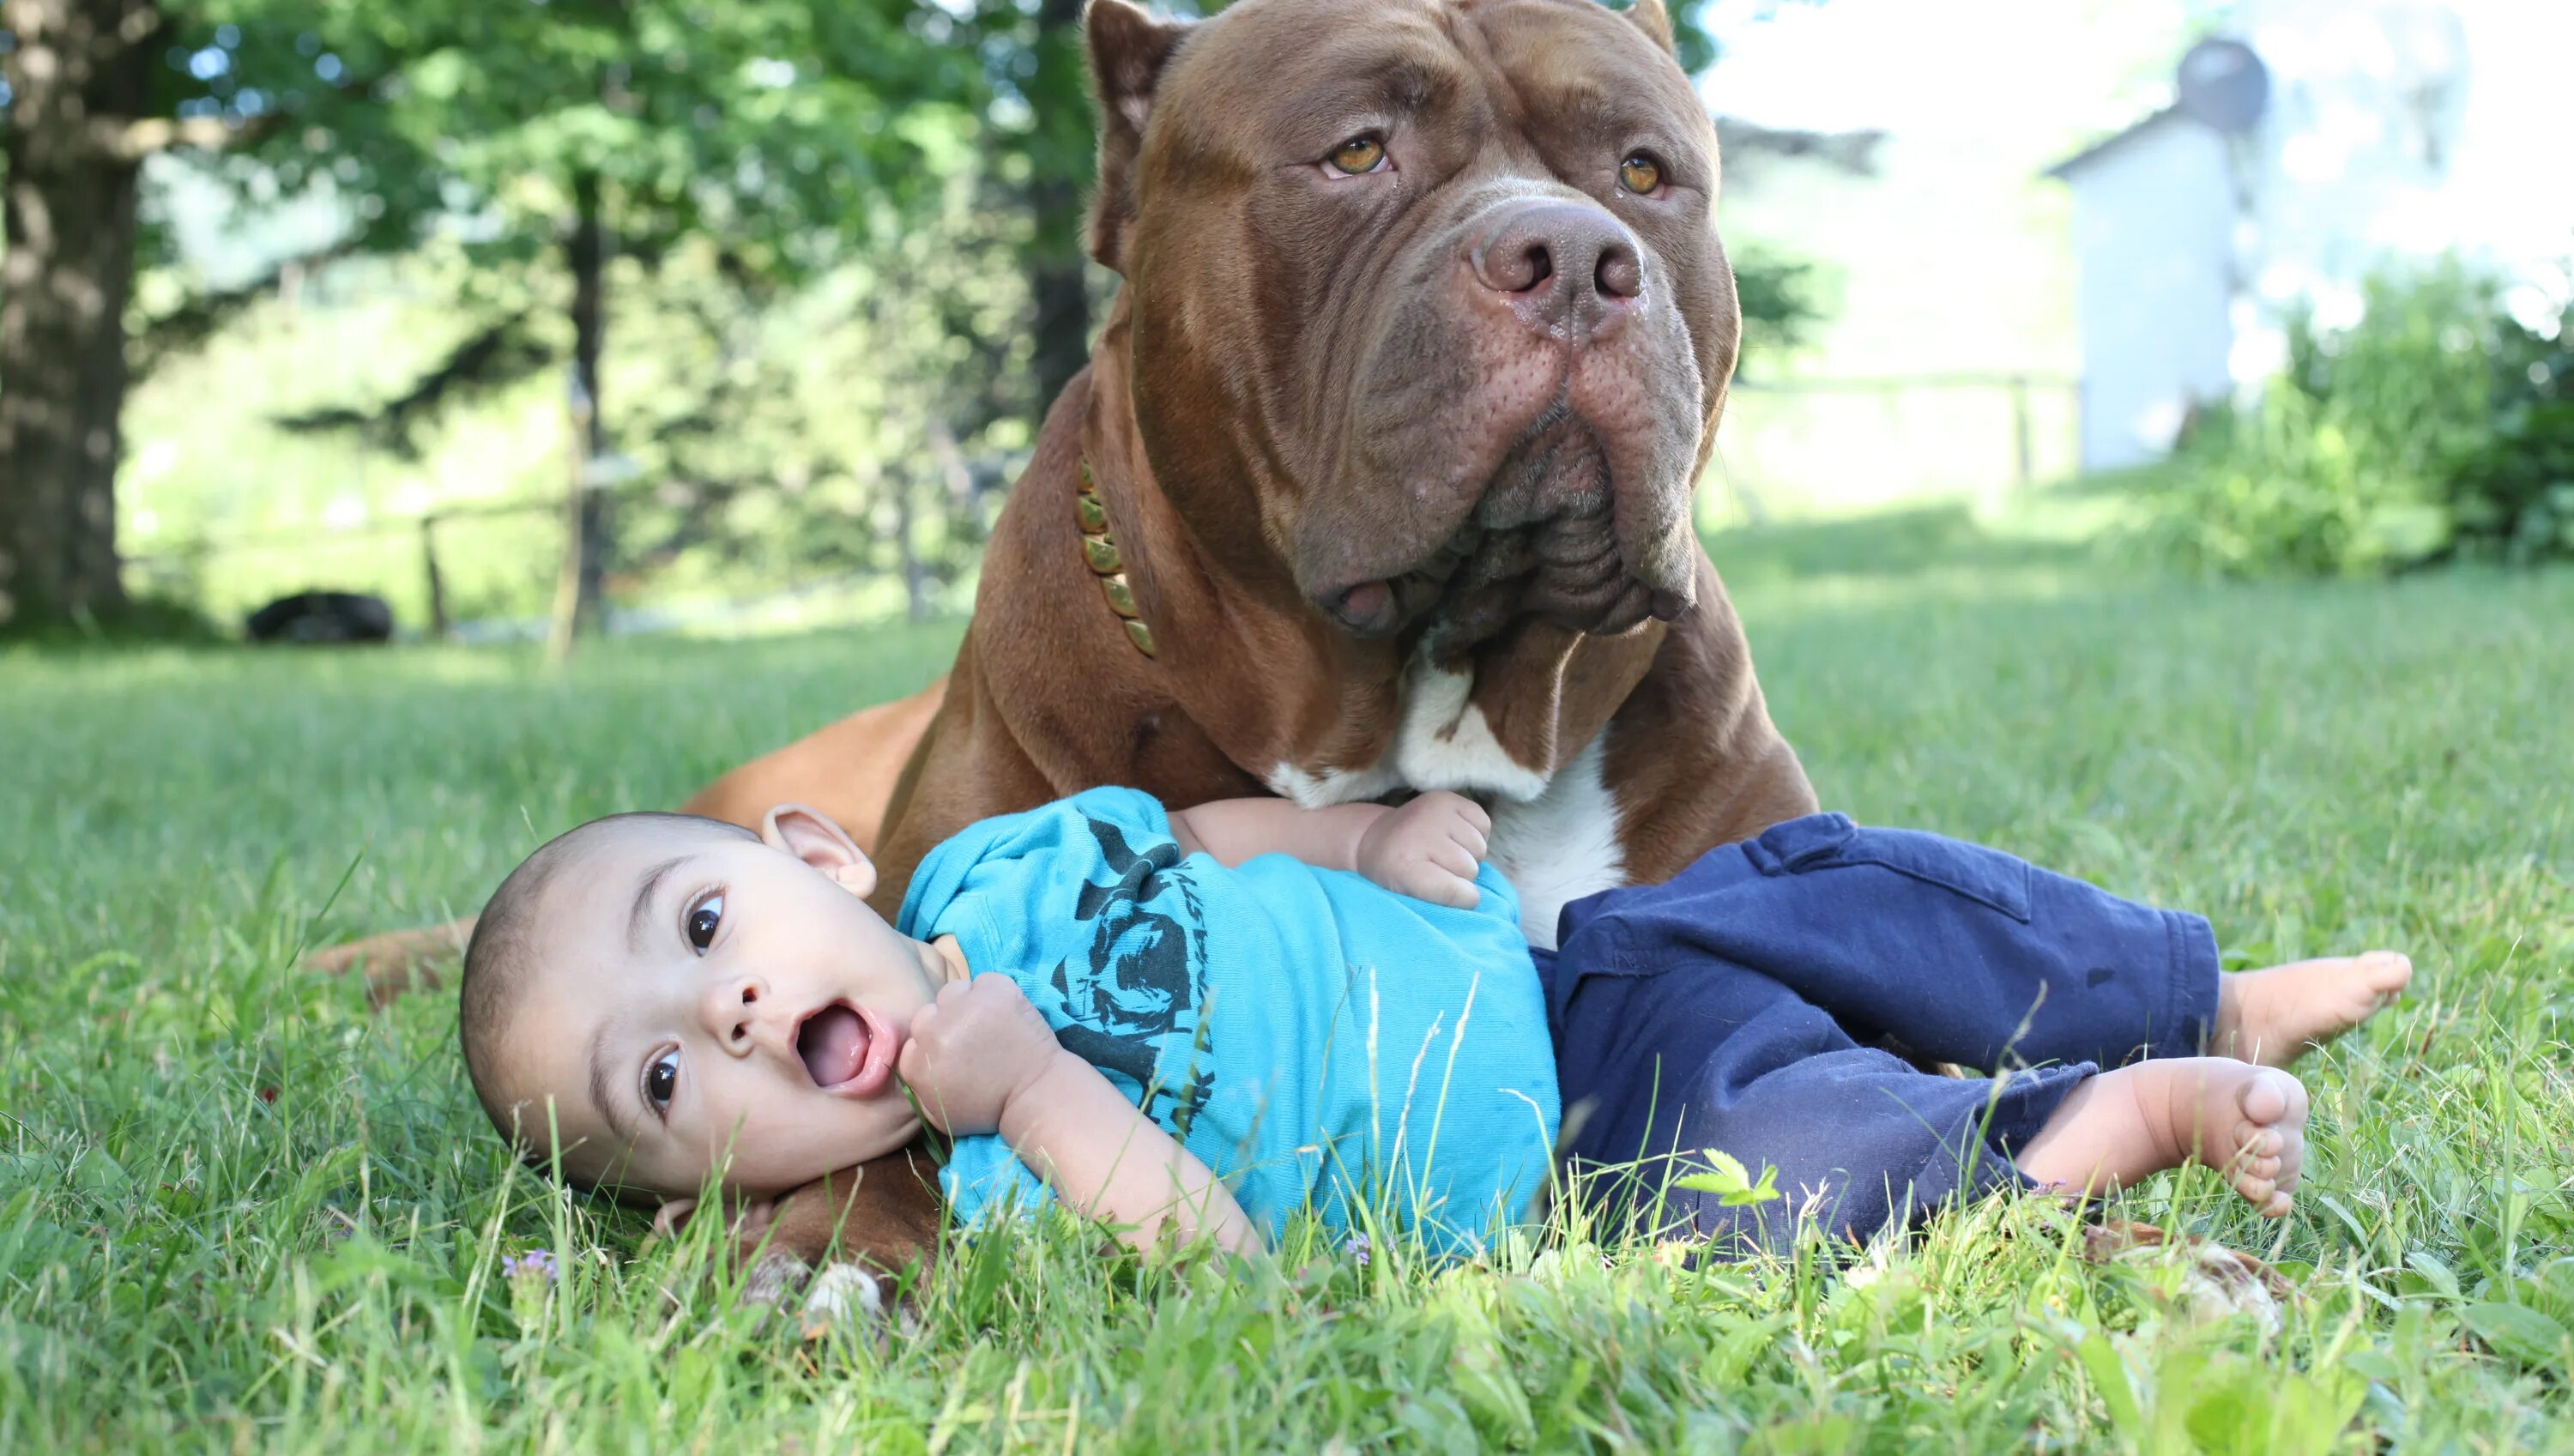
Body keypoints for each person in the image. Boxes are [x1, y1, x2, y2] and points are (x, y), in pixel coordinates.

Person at [457, 788, 2410, 1258]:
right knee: (1801, 1177)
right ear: (714, 1182)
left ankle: (2189, 982)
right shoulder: (994, 1183)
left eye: (703, 917)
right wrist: (1037, 1094)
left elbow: (1197, 827)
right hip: (1576, 1139)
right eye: (660, 1080)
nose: (717, 1004)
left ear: (816, 853)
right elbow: (1212, 1255)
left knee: (1839, 881)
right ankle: (2110, 1120)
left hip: (1566, 959)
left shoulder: (992, 867)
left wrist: (1365, 831)